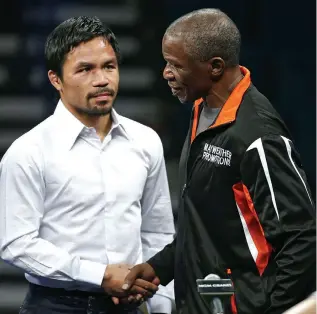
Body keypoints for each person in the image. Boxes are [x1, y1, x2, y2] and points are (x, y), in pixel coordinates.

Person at [121, 8, 316, 314]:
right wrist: (162, 267)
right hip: (201, 303)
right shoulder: (202, 108)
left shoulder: (257, 135)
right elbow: (212, 225)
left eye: (175, 65)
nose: (166, 73)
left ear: (213, 67)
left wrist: (269, 310)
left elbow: (302, 238)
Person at [0, 16, 175, 314]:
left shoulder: (146, 142)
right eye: (85, 69)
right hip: (55, 306)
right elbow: (16, 243)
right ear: (56, 79)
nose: (102, 79)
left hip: (131, 304)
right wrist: (100, 275)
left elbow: (157, 232)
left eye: (109, 66)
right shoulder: (29, 152)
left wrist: (160, 303)